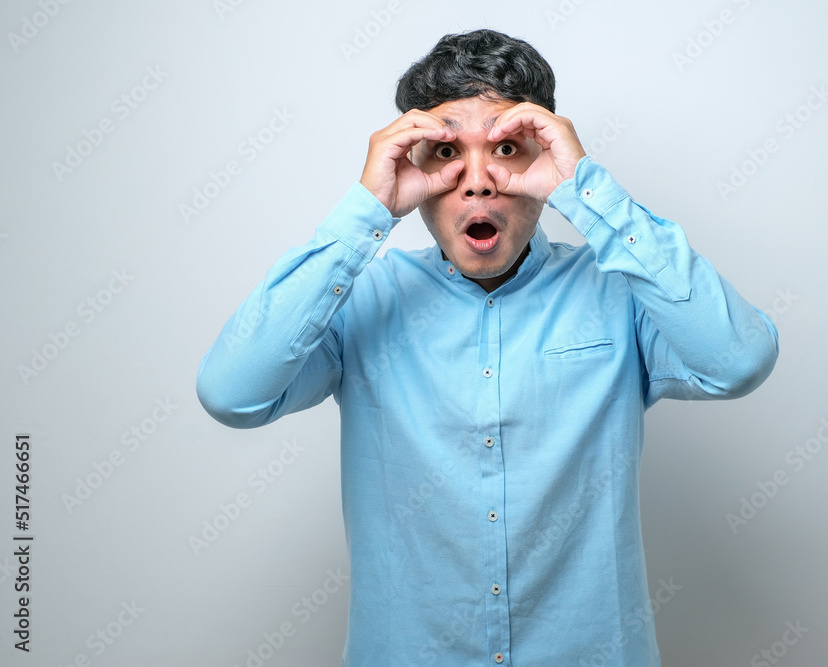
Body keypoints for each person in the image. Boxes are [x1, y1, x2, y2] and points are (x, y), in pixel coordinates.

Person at [196, 28, 779, 666]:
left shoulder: (620, 293)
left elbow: (738, 360)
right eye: (447, 152)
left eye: (506, 149)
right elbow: (232, 395)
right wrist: (367, 210)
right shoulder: (362, 300)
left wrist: (587, 190)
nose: (477, 183)